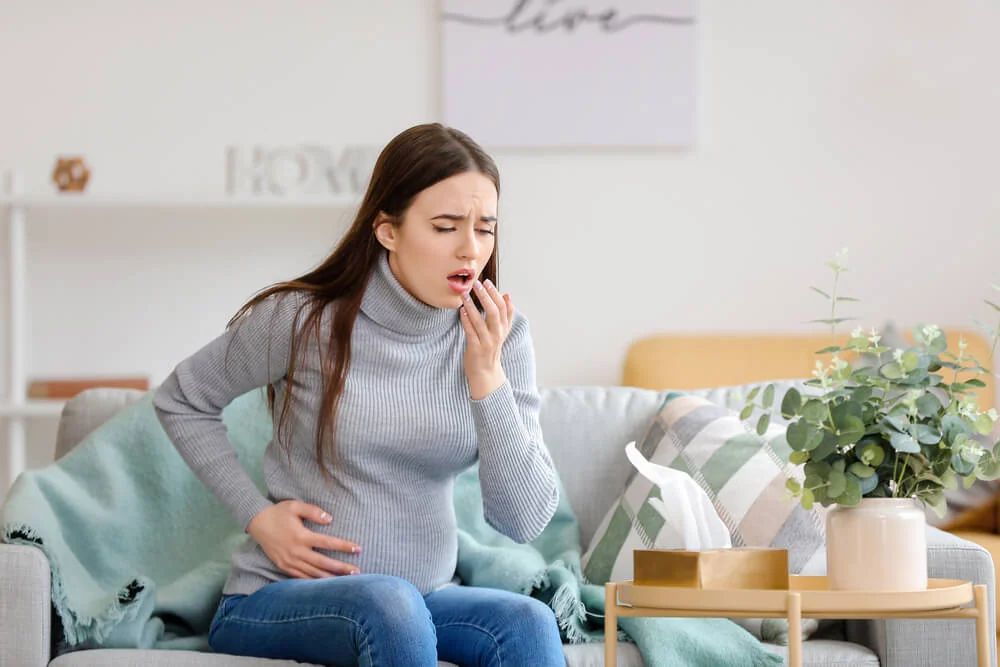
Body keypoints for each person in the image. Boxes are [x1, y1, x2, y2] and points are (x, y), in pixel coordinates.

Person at [152, 123, 564, 667]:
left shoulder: (499, 337)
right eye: (445, 226)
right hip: (274, 599)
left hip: (423, 599)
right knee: (389, 603)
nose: (471, 248)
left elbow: (523, 519)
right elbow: (182, 399)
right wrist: (257, 517)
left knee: (527, 623)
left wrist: (486, 377)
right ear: (388, 230)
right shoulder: (302, 321)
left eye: (485, 229)